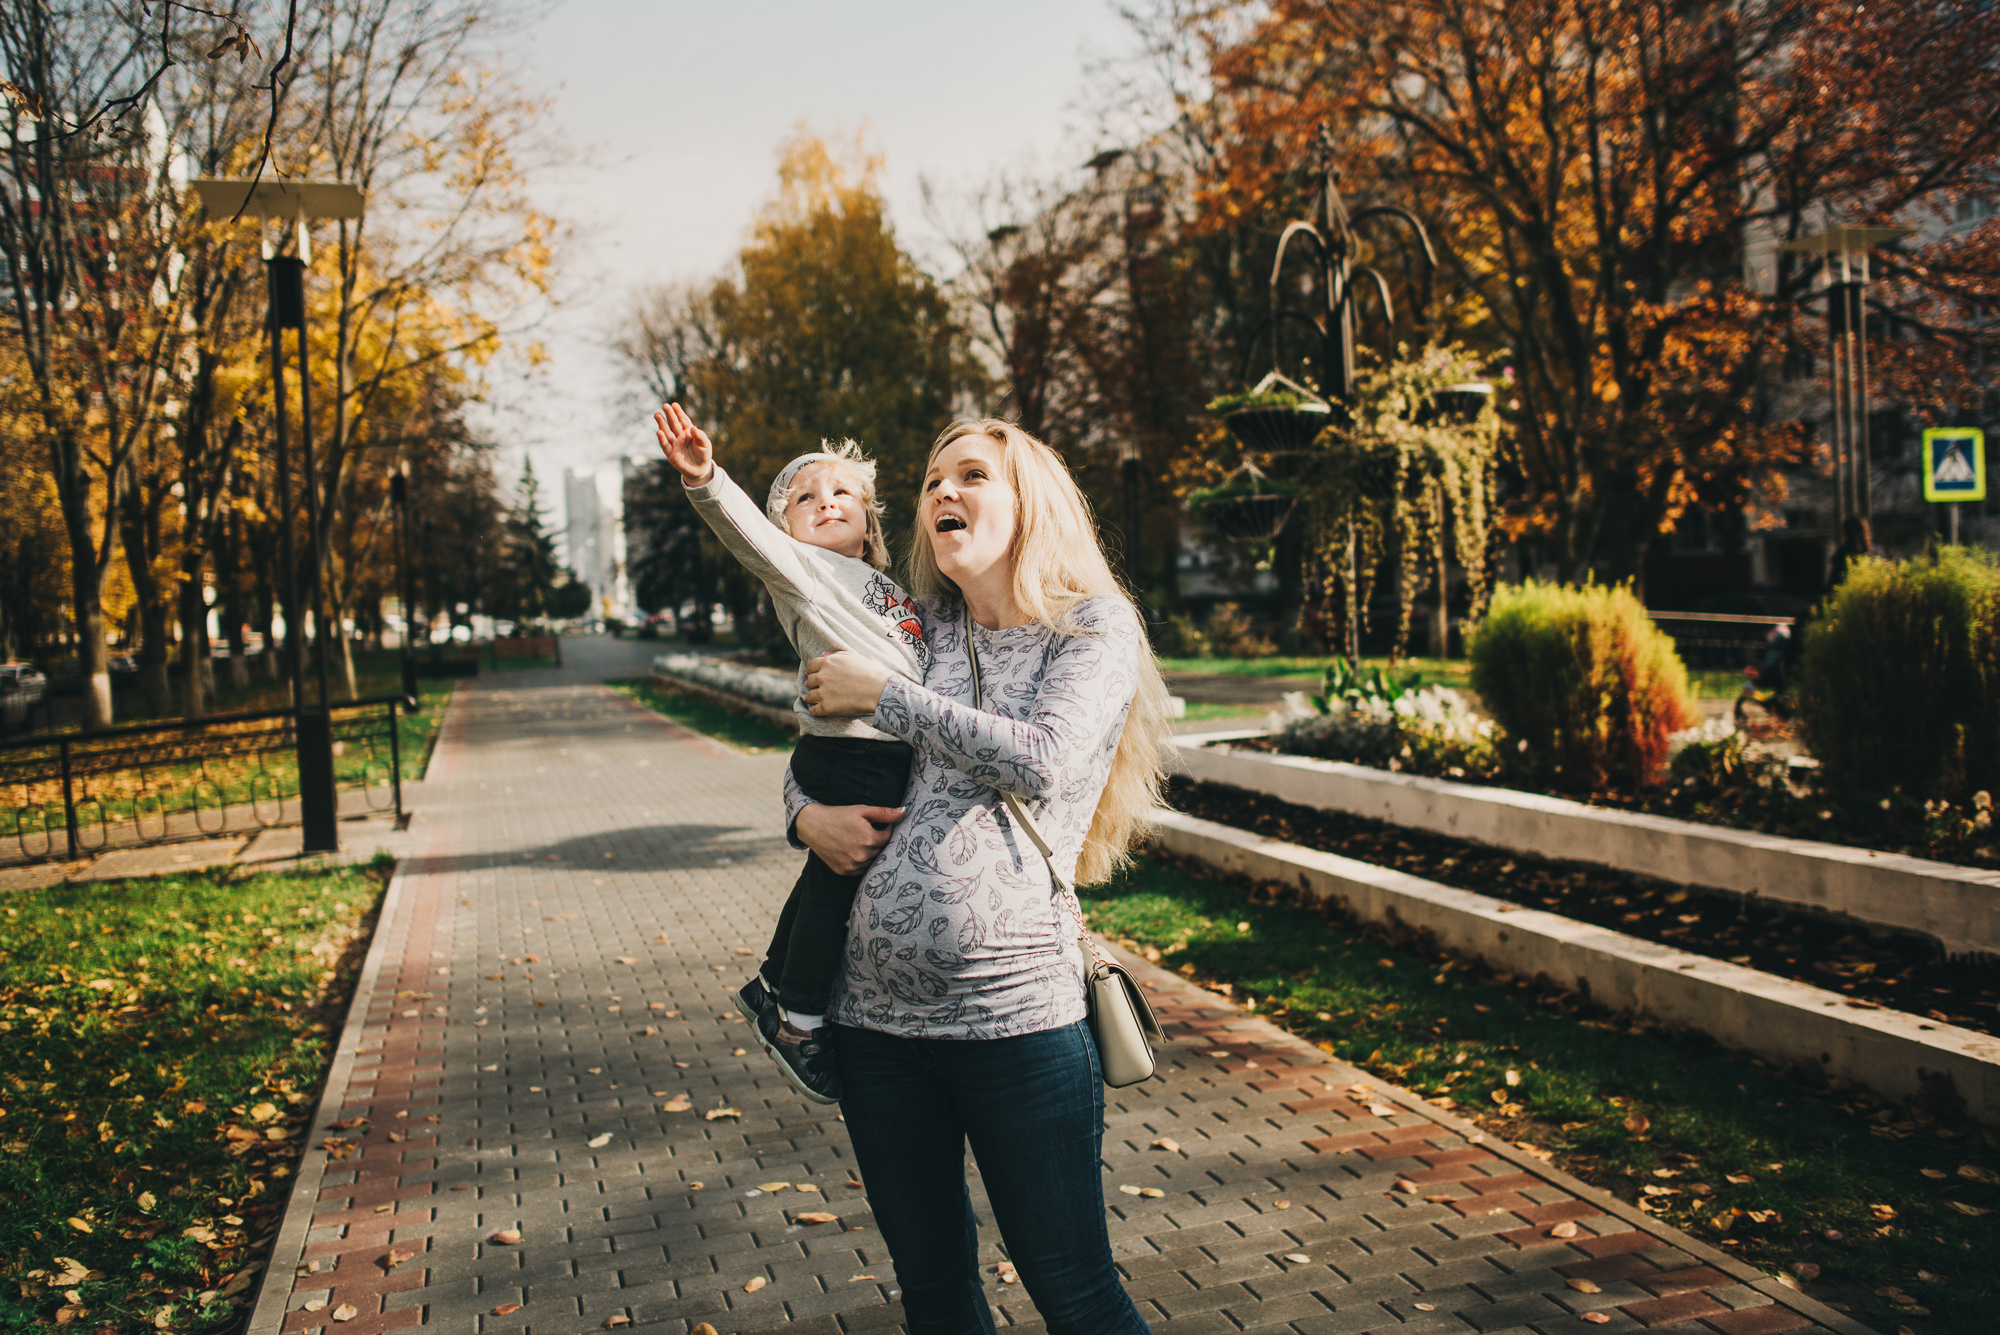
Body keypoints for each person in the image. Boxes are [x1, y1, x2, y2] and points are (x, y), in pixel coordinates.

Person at [791, 418, 1174, 1335]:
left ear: (1027, 501)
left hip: (1018, 1023)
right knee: (934, 1293)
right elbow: (819, 747)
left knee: (1074, 1292)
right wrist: (803, 816)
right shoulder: (918, 627)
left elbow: (1043, 757)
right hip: (874, 1027)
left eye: (971, 474)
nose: (942, 493)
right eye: (930, 482)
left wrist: (882, 695)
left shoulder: (1092, 626)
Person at [652, 402, 928, 1104]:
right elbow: (744, 532)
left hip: (871, 747)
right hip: (854, 752)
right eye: (804, 498)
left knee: (821, 876)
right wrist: (706, 479)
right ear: (786, 531)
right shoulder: (803, 571)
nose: (825, 501)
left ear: (869, 522)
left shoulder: (889, 589)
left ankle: (774, 978)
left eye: (841, 493)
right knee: (837, 884)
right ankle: (800, 1021)